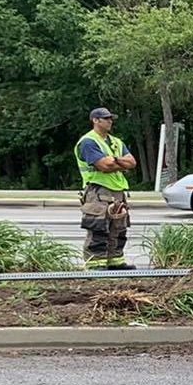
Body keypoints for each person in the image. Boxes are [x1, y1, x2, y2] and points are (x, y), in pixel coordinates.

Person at [75, 108, 137, 269]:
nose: (110, 121)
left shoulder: (116, 141)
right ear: (95, 120)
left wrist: (115, 159)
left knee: (118, 229)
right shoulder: (88, 142)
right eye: (106, 118)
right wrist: (120, 164)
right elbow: (103, 166)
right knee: (98, 229)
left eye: (111, 118)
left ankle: (115, 262)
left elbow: (132, 163)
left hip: (118, 192)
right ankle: (95, 265)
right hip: (98, 191)